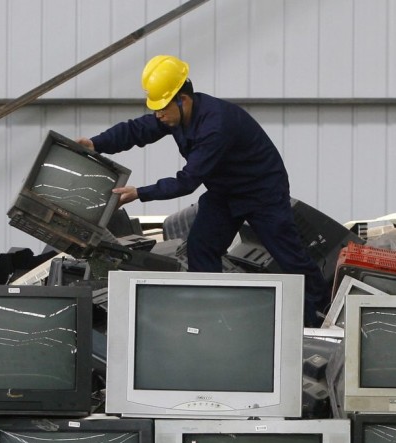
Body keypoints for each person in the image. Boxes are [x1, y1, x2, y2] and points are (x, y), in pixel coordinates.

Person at [78, 55, 328, 327]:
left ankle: (319, 318)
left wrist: (140, 192)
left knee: (289, 258)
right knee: (201, 247)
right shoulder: (174, 115)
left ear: (183, 99)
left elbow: (187, 181)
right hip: (223, 191)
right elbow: (137, 130)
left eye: (162, 109)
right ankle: (213, 317)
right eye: (156, 109)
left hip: (261, 191)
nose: (158, 115)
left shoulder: (215, 126)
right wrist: (96, 143)